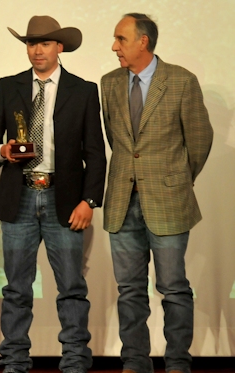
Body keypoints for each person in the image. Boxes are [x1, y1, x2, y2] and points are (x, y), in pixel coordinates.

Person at [0, 15, 106, 373]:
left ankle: (75, 361)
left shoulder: (82, 90)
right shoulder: (10, 86)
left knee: (71, 287)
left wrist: (89, 201)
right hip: (18, 195)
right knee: (17, 288)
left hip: (62, 200)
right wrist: (1, 151)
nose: (37, 50)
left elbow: (95, 152)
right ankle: (15, 361)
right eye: (32, 43)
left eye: (45, 43)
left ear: (59, 47)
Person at [101, 13, 213, 373]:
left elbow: (199, 141)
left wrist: (175, 180)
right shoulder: (109, 83)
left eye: (121, 39)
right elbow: (116, 142)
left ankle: (178, 363)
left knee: (173, 287)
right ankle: (135, 363)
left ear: (143, 42)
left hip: (168, 201)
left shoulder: (181, 81)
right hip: (122, 201)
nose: (114, 46)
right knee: (130, 290)